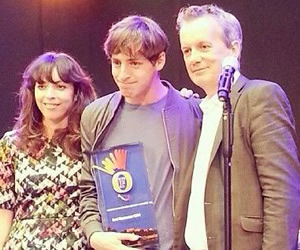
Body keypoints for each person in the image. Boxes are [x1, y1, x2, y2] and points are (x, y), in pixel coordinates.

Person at [173, 4, 300, 250]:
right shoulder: (197, 110)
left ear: (234, 48)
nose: (193, 58)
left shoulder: (260, 96)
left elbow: (282, 195)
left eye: (203, 47)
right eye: (186, 50)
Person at [79, 15, 201, 250]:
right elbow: (88, 188)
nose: (122, 74)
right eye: (116, 62)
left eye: (134, 63)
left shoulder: (193, 113)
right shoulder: (95, 115)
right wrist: (94, 234)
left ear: (159, 61)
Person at [0, 51, 96, 249]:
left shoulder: (91, 142)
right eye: (41, 86)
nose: (49, 95)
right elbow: (4, 211)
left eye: (60, 87)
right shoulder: (12, 144)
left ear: (76, 92)